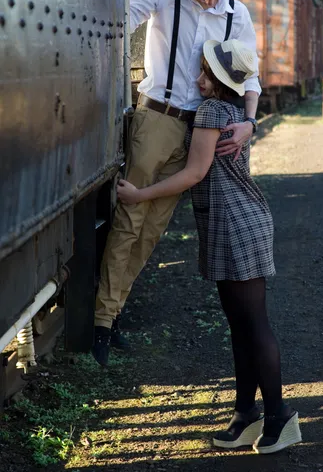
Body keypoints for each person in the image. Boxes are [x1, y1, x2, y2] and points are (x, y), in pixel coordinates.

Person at [117, 38, 302, 454]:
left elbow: (194, 174)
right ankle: (246, 415)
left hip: (235, 225)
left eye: (205, 73)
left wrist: (139, 196)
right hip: (234, 222)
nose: (198, 79)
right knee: (241, 327)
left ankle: (279, 416)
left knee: (254, 325)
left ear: (218, 82)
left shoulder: (212, 112)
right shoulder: (236, 112)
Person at [92, 0, 262, 366]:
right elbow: (120, 20)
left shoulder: (236, 13)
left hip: (200, 128)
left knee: (152, 232)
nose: (207, 0)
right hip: (157, 121)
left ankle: (112, 314)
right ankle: (101, 322)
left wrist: (249, 122)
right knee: (130, 222)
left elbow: (251, 73)